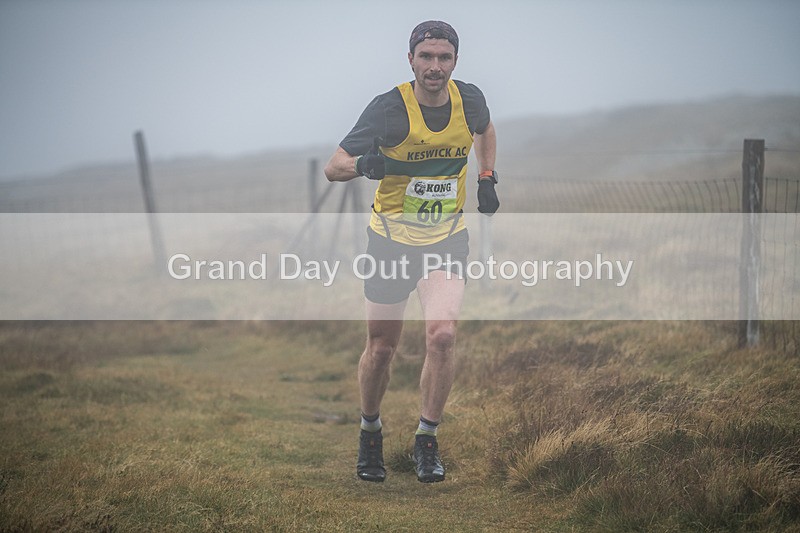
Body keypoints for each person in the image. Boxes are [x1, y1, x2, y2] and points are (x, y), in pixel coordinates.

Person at [324, 20, 499, 483]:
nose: (435, 67)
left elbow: (485, 130)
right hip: (390, 242)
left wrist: (486, 178)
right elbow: (333, 167)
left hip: (446, 239)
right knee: (382, 348)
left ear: (455, 61)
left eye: (444, 58)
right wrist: (366, 164)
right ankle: (370, 431)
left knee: (442, 336)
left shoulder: (471, 99)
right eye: (427, 57)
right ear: (411, 61)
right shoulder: (388, 110)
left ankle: (426, 439)